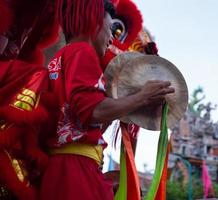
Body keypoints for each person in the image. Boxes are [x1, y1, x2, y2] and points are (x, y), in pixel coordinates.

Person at [39, 0, 174, 199]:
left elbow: (81, 120)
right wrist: (143, 96)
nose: (111, 37)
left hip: (62, 167)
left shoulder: (59, 58)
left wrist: (121, 102)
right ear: (94, 22)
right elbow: (93, 111)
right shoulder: (83, 52)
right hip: (75, 170)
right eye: (110, 29)